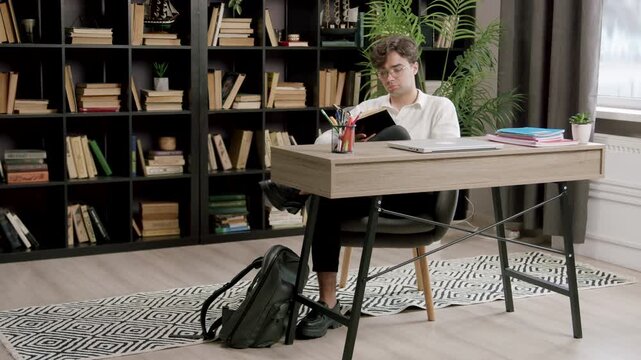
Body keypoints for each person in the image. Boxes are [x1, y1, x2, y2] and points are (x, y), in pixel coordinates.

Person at [260, 35, 460, 339]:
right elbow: (322, 141)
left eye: (397, 70)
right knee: (325, 201)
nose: (389, 78)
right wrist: (351, 137)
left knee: (397, 131)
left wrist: (390, 145)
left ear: (414, 67)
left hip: (415, 199)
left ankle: (297, 193)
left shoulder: (439, 107)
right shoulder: (370, 107)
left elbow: (446, 159)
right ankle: (328, 303)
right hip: (369, 193)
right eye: (383, 73)